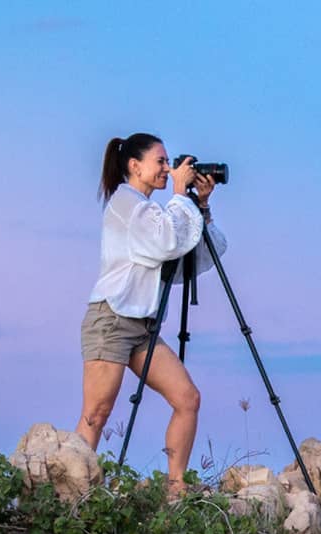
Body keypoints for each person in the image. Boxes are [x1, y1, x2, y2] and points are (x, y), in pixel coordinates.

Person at [76, 133, 227, 498]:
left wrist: (200, 207)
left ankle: (175, 489)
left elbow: (191, 257)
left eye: (168, 161)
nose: (168, 168)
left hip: (142, 325)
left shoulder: (151, 210)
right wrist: (179, 194)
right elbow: (166, 241)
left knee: (187, 399)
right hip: (111, 319)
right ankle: (71, 494)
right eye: (160, 161)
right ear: (134, 166)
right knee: (97, 413)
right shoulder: (126, 203)